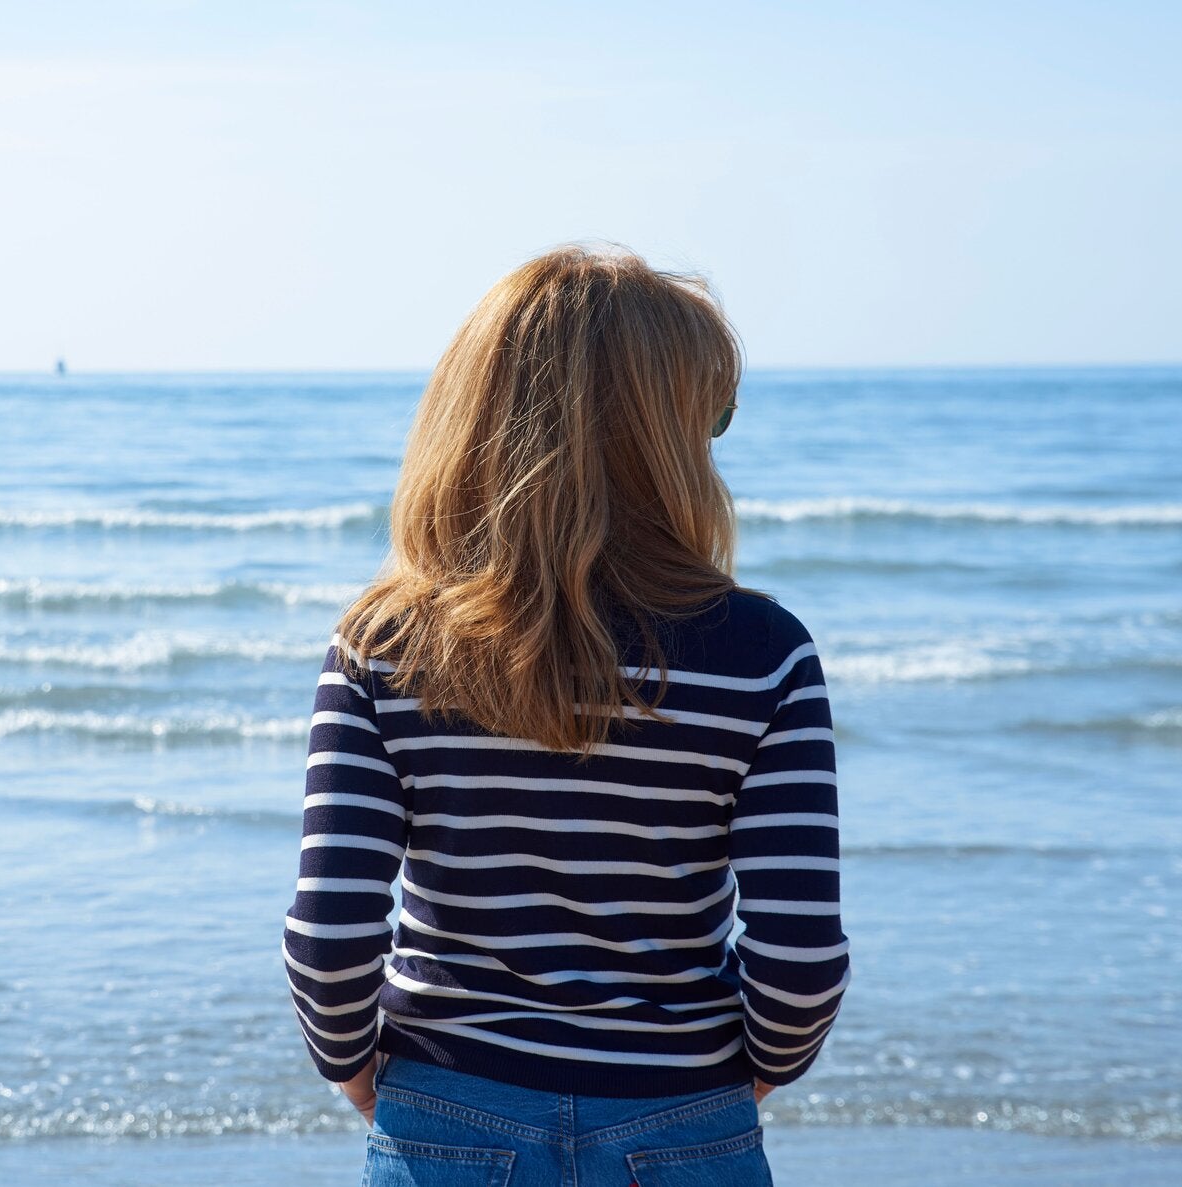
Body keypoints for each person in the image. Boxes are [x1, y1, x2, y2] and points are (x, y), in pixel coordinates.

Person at [280, 242, 850, 1185]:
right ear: (666, 438)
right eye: (711, 415)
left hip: (450, 1111)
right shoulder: (761, 652)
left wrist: (353, 1068)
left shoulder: (384, 644)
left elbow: (332, 931)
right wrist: (746, 1079)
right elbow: (799, 957)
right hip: (682, 1114)